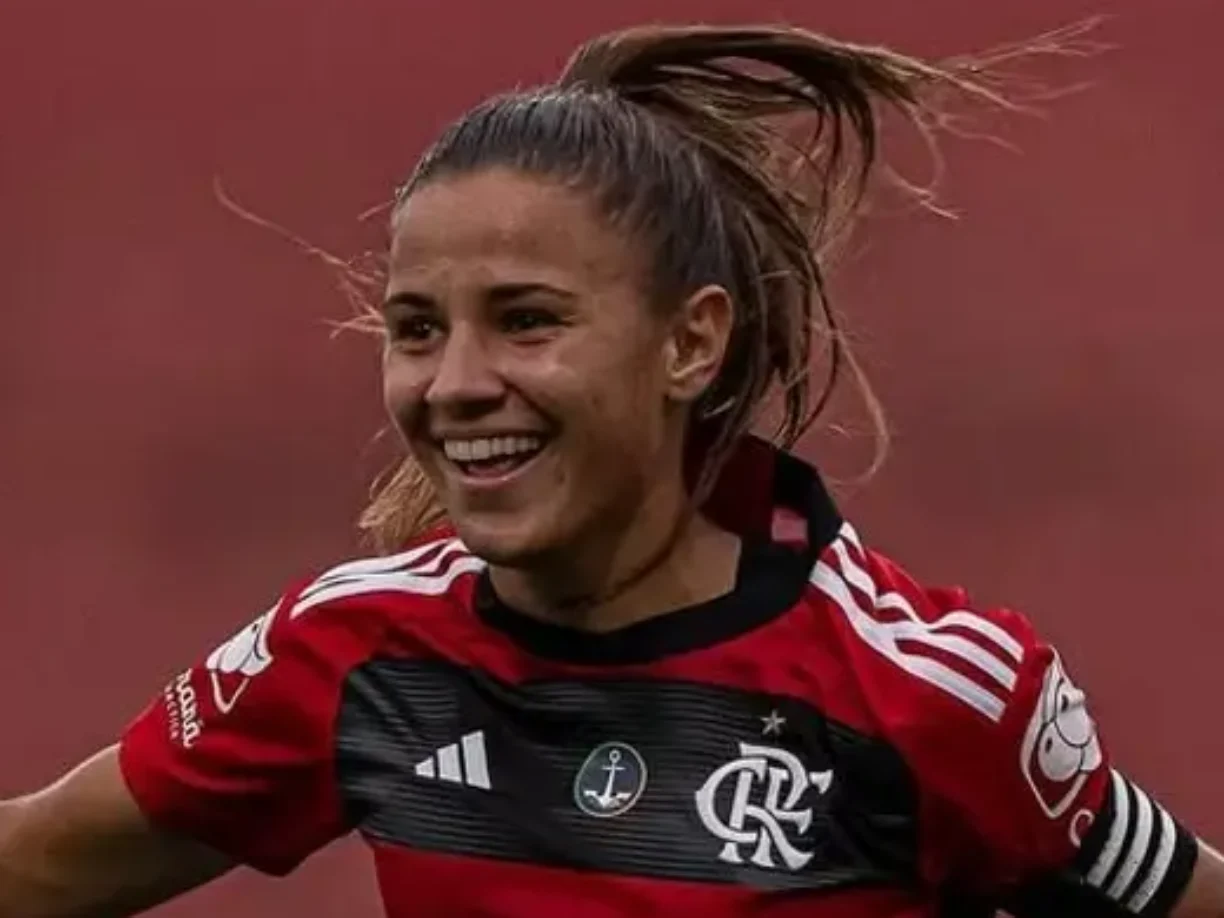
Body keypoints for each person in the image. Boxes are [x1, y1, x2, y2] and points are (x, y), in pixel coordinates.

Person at [0, 21, 1219, 918]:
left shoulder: (932, 697)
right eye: (417, 329)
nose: (455, 382)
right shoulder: (359, 657)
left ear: (691, 341)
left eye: (527, 321)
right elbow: (38, 866)